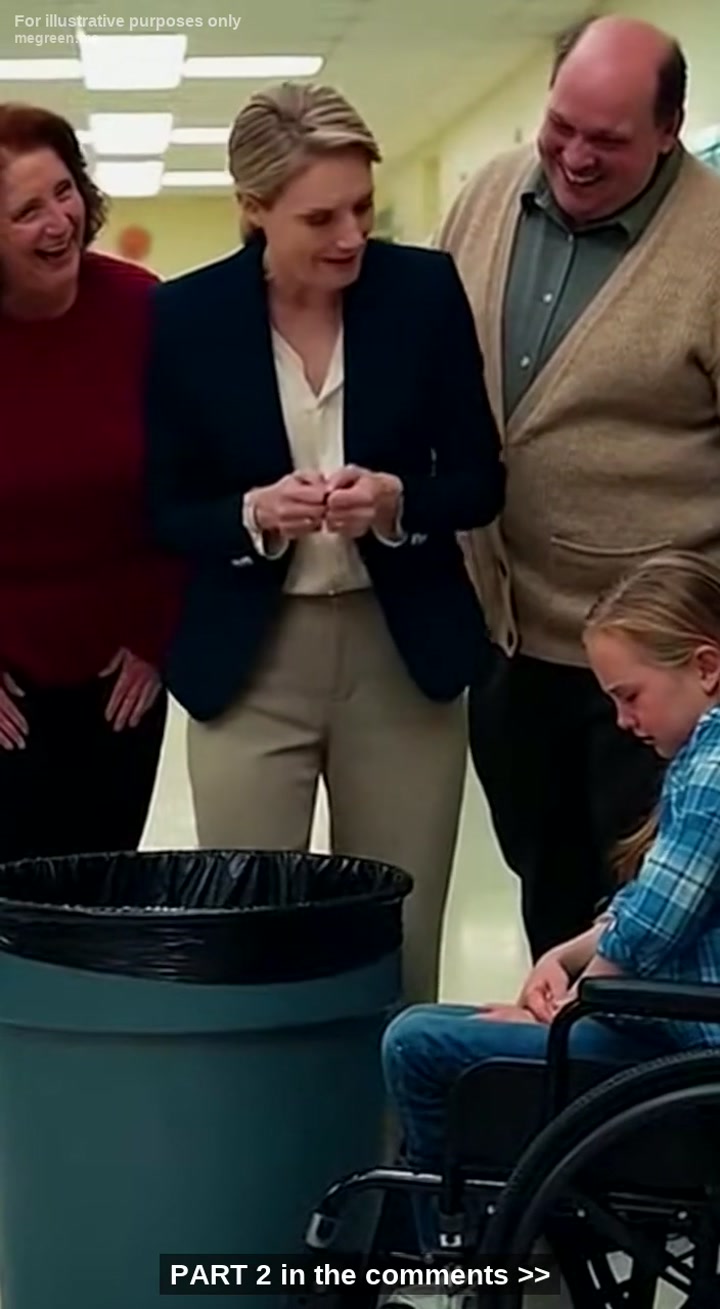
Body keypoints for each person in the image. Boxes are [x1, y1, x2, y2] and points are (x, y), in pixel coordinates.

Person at [145, 81, 504, 1005]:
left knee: (400, 932)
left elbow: (478, 477)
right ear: (254, 210)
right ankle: (266, 1133)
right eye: (319, 217)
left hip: (401, 650)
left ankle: (402, 1139)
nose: (350, 234)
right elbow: (163, 505)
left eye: (360, 207)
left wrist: (395, 500)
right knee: (250, 932)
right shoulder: (186, 319)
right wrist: (252, 514)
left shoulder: (421, 292)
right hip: (251, 662)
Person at [436, 13, 720, 961]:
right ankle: (557, 1085)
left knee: (648, 919)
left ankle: (636, 1105)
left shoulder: (711, 245)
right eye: (562, 126)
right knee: (544, 886)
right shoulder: (484, 198)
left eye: (609, 140)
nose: (575, 156)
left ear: (670, 128)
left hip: (653, 667)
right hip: (511, 645)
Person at [383, 549, 720, 1253]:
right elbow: (649, 904)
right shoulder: (698, 758)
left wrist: (566, 1010)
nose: (623, 719)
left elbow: (647, 934)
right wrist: (563, 954)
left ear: (706, 668)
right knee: (452, 1025)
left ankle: (454, 1253)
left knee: (418, 1041)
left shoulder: (715, 771)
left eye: (630, 695)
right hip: (675, 1032)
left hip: (690, 1050)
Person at [0, 103, 182, 862]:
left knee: (102, 900)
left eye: (66, 191)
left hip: (121, 677)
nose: (59, 222)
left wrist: (156, 637)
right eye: (26, 210)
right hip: (7, 677)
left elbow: (191, 476)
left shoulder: (146, 308)